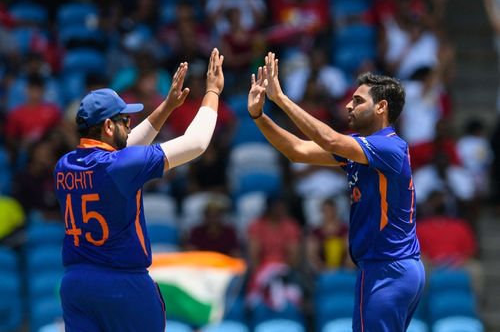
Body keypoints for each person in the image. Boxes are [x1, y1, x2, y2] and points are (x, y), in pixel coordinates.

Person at [247, 52, 424, 332]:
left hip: (387, 268)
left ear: (381, 107)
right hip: (389, 267)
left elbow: (328, 138)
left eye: (358, 100)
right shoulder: (362, 147)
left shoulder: (388, 146)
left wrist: (280, 99)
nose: (349, 106)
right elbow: (297, 151)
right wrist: (259, 116)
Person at [53, 48, 224, 332]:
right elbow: (197, 143)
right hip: (123, 286)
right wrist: (213, 93)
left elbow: (127, 146)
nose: (129, 124)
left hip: (76, 285)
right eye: (124, 120)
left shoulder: (65, 165)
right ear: (108, 126)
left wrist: (167, 106)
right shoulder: (120, 167)